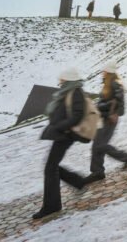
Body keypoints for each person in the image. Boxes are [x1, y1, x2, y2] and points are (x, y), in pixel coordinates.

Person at [34, 68, 88, 219]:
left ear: (68, 79)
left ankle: (52, 206)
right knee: (51, 166)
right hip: (62, 135)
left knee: (50, 168)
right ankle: (77, 181)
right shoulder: (67, 91)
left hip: (65, 135)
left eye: (62, 79)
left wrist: (61, 126)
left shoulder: (75, 92)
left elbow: (77, 115)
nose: (60, 81)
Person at [84, 61, 127, 184]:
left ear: (109, 72)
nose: (102, 73)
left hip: (109, 119)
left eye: (104, 71)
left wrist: (114, 113)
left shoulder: (115, 84)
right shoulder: (107, 84)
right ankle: (97, 172)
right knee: (97, 145)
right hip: (103, 118)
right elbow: (106, 101)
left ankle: (124, 157)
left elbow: (120, 102)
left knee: (100, 145)